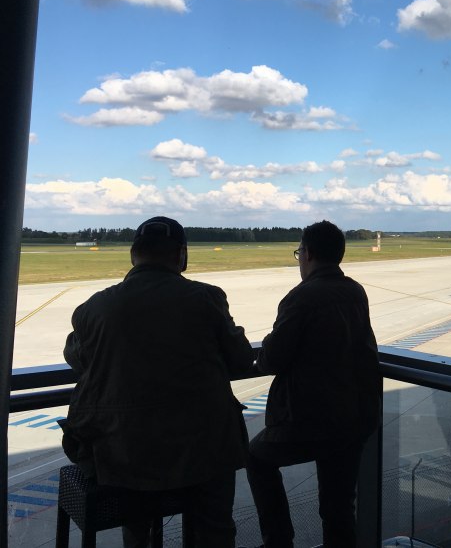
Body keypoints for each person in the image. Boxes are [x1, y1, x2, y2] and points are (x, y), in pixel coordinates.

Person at [62, 216, 253, 548]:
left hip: (125, 452)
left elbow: (79, 360)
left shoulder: (92, 309)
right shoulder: (206, 298)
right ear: (181, 255)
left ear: (134, 255)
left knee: (137, 529)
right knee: (215, 529)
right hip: (204, 451)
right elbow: (240, 357)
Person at [247, 220, 381, 548]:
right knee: (338, 509)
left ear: (306, 253)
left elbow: (272, 359)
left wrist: (265, 345)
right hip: (353, 417)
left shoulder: (301, 297)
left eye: (299, 253)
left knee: (256, 458)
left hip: (311, 420)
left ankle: (278, 541)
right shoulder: (355, 291)